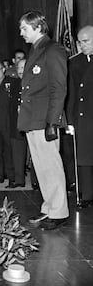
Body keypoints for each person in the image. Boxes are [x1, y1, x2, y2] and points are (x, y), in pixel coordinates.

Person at [17, 10, 68, 230]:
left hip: (45, 119)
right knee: (42, 168)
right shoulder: (36, 50)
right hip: (33, 119)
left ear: (38, 27)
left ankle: (59, 212)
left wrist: (52, 122)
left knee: (51, 167)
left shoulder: (52, 50)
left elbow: (59, 88)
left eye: (24, 28)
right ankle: (49, 208)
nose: (21, 33)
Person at [66, 25, 93, 209]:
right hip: (83, 118)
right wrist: (69, 120)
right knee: (83, 158)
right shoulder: (74, 63)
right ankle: (87, 194)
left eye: (86, 41)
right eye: (79, 41)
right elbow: (72, 94)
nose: (81, 45)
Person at [9, 59, 29, 188]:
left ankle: (36, 182)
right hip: (17, 123)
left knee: (36, 155)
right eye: (19, 68)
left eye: (24, 67)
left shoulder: (36, 83)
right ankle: (19, 179)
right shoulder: (14, 84)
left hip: (33, 123)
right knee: (17, 153)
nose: (21, 71)